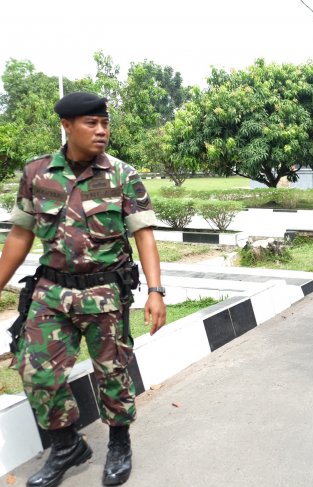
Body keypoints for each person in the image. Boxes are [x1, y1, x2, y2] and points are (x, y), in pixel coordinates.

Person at [0, 92, 166, 487]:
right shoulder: (37, 174)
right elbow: (21, 234)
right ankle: (66, 445)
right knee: (35, 370)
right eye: (92, 123)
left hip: (105, 293)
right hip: (50, 292)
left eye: (105, 123)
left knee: (113, 374)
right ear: (67, 125)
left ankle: (119, 443)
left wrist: (156, 291)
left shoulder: (122, 175)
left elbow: (144, 235)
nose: (102, 131)